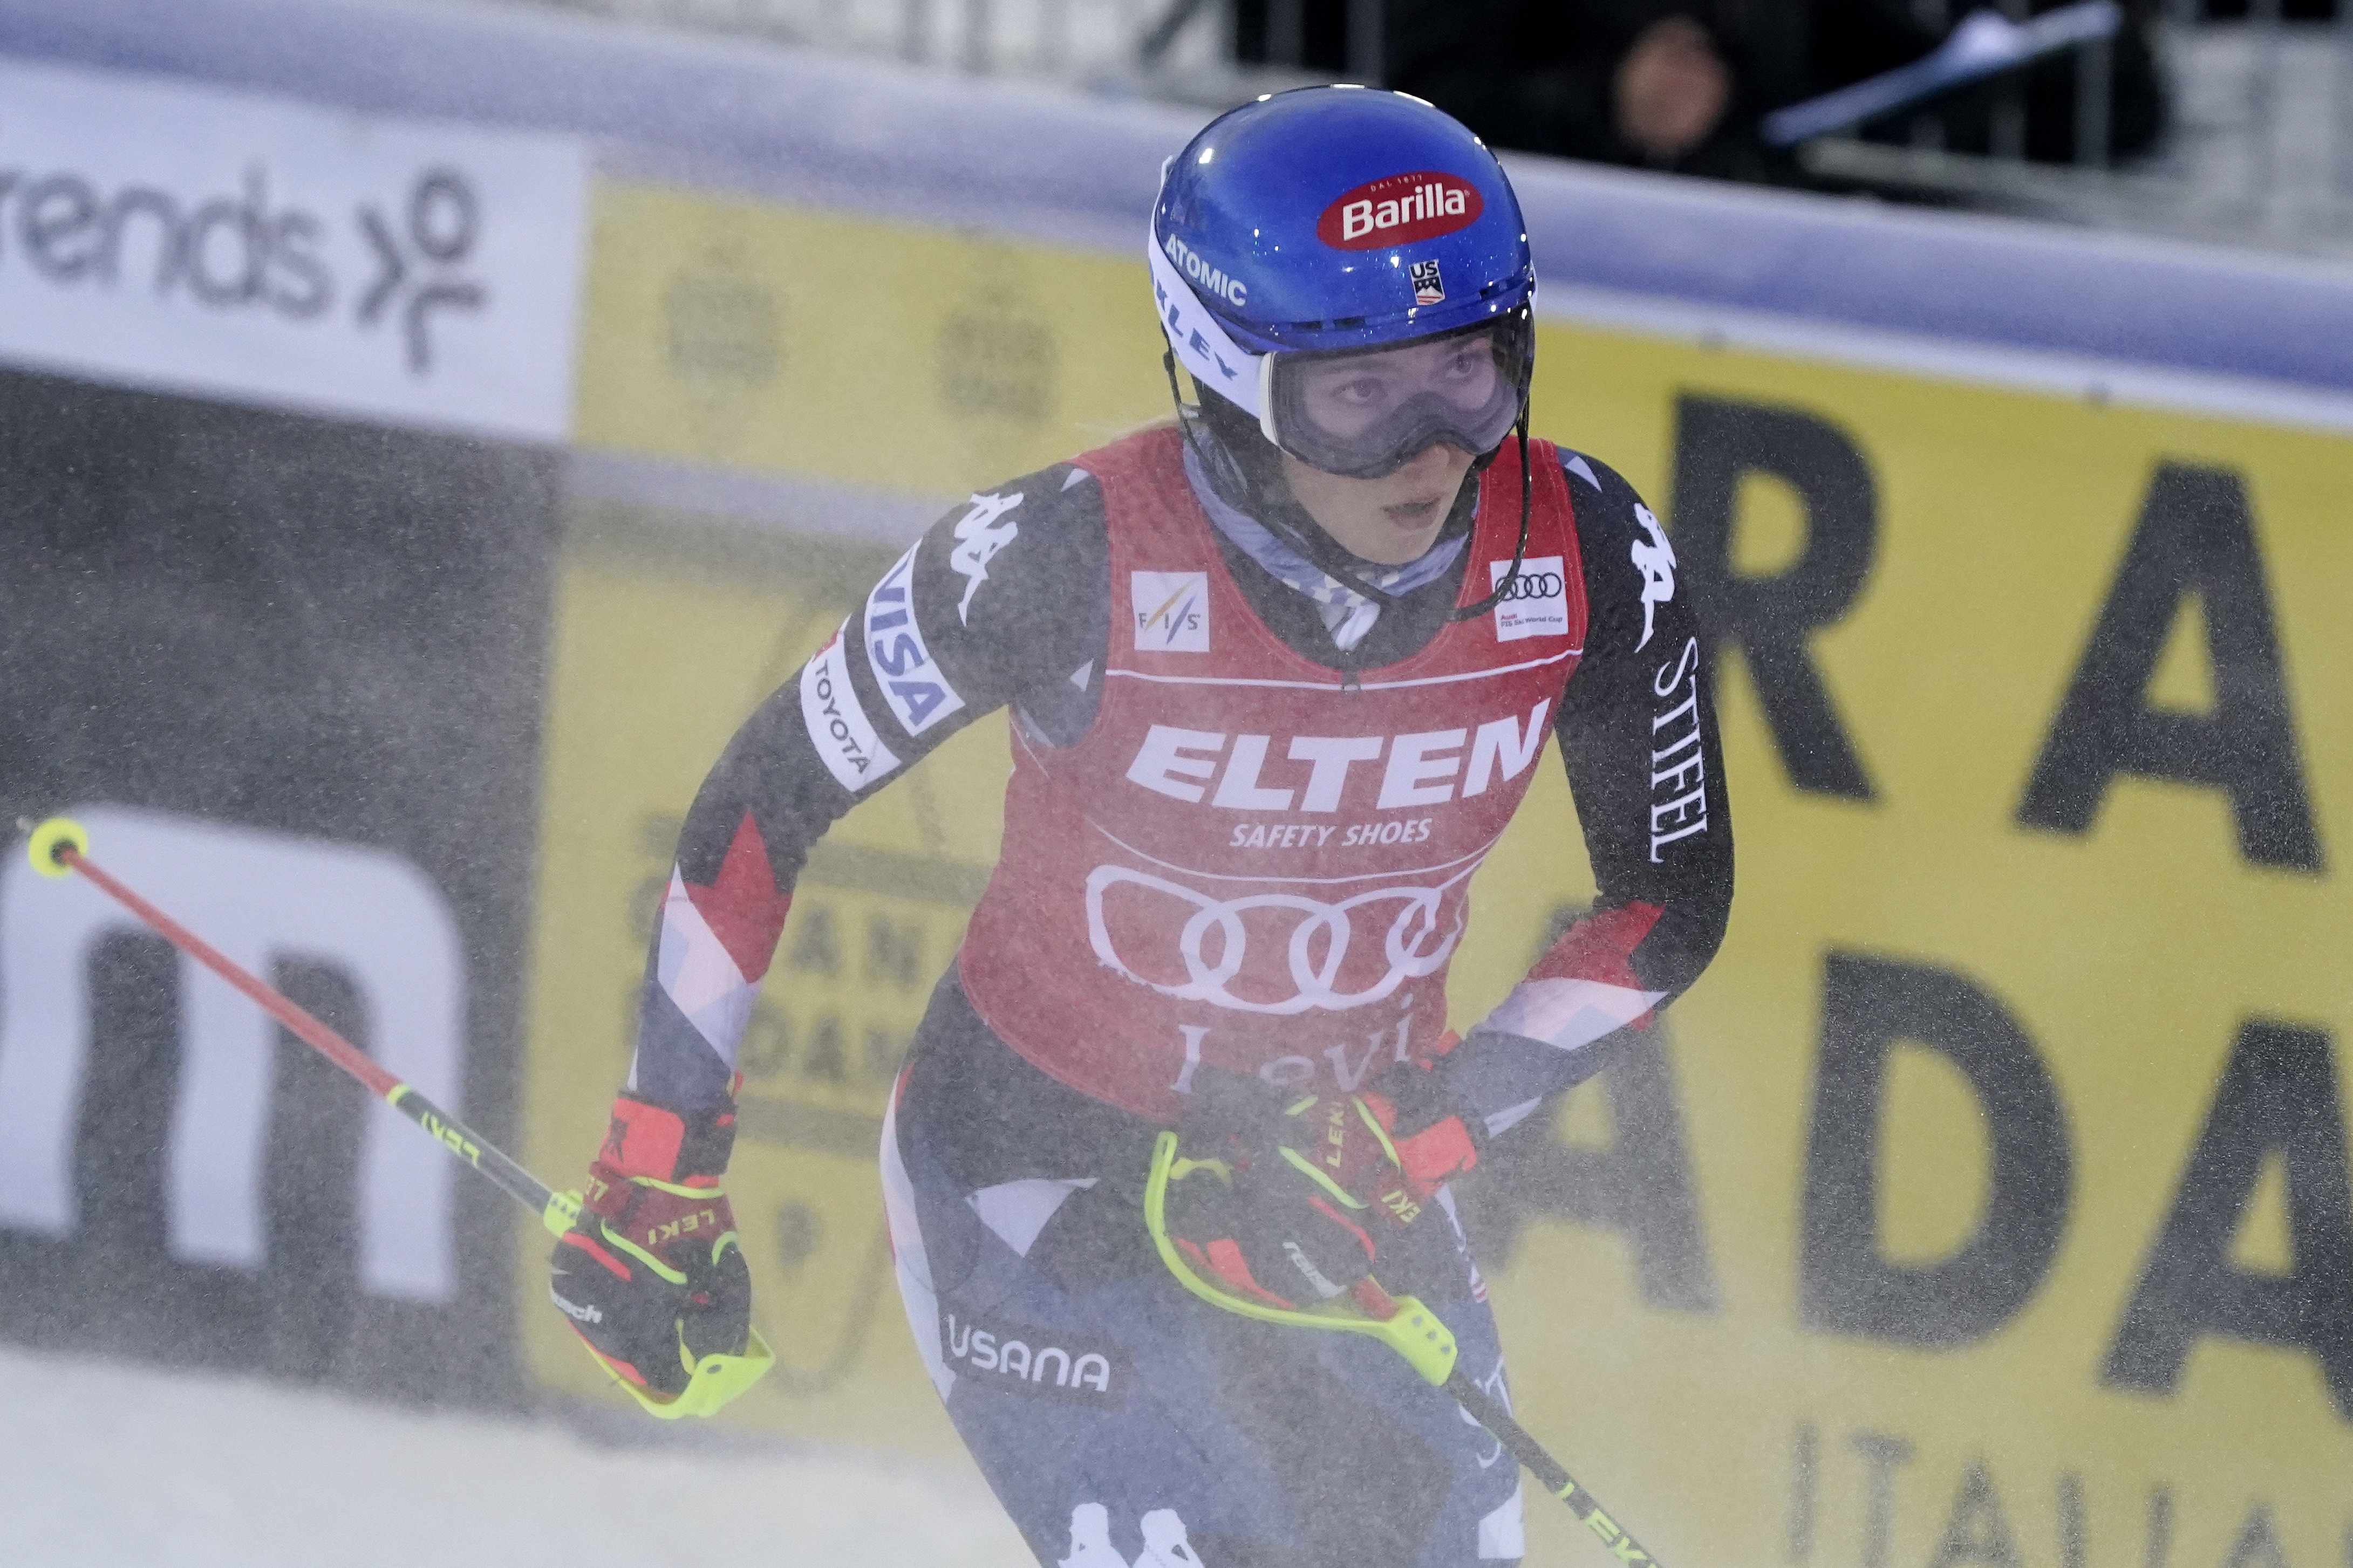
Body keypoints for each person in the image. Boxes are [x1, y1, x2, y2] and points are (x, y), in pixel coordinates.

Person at [544, 86, 1733, 1568]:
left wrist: (1417, 1130)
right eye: (1355, 395)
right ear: (1230, 379)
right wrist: (661, 1155)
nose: (1431, 451)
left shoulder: (1592, 548)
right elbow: (769, 796)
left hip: (1336, 1175)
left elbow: (1667, 902)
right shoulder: (1057, 556)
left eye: (1467, 368)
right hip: (1040, 1159)